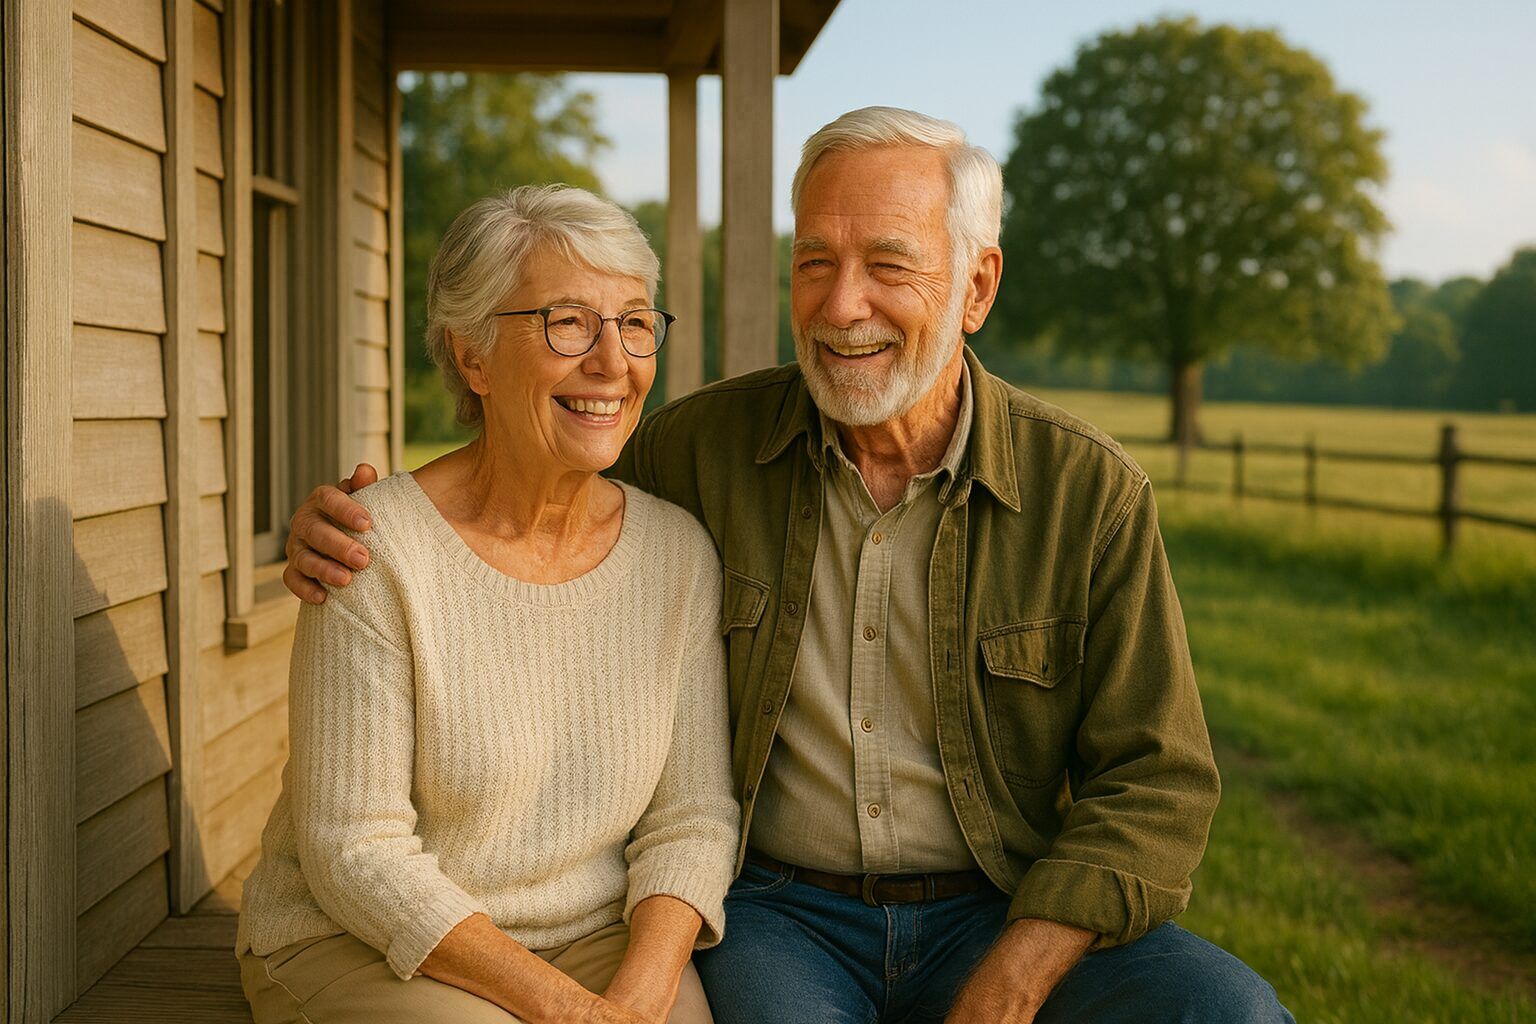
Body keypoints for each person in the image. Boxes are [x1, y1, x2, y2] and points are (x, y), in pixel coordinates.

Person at [283, 108, 1294, 1023]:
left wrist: (1016, 976)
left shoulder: (1089, 493)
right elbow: (535, 473)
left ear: (976, 283)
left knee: (1230, 1015)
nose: (841, 304)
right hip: (782, 912)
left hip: (1006, 901)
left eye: (888, 265)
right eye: (815, 260)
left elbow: (1156, 784)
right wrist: (361, 517)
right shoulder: (701, 449)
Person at [238, 185, 738, 1024]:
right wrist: (569, 1013)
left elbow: (691, 818)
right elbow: (354, 852)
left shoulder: (677, 552)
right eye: (568, 321)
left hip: (589, 935)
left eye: (635, 321)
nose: (613, 361)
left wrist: (641, 1000)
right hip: (363, 939)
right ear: (473, 357)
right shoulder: (375, 548)